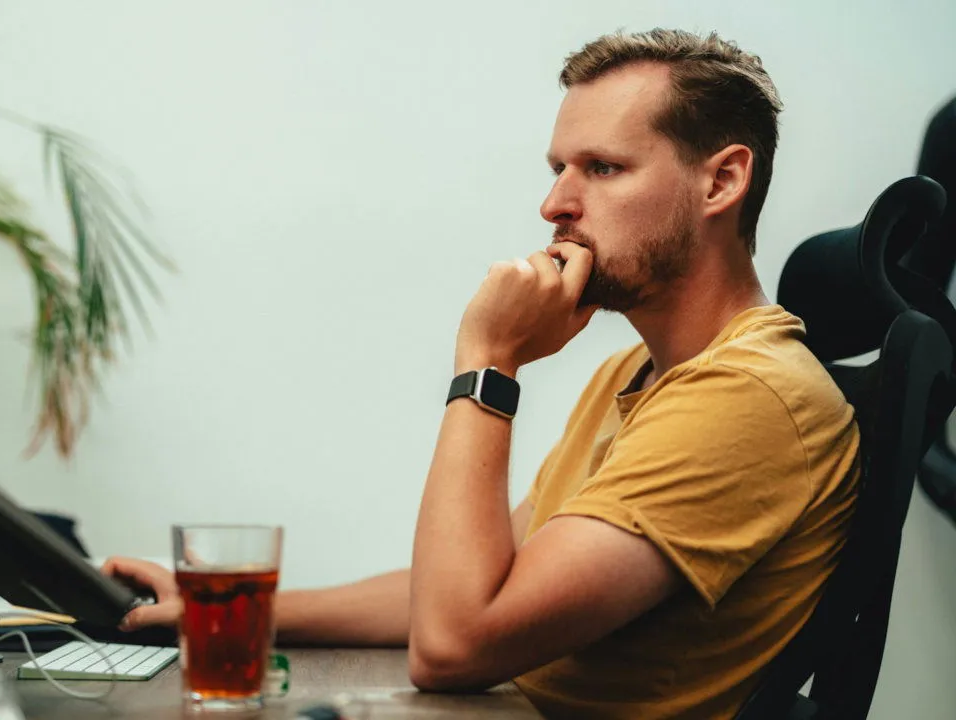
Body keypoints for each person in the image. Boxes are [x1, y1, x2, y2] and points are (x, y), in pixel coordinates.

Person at [103, 28, 860, 720]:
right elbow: (475, 589)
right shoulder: (640, 373)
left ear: (721, 183)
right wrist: (229, 610)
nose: (555, 204)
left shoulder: (747, 396)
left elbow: (453, 644)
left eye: (602, 168)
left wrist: (488, 364)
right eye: (559, 169)